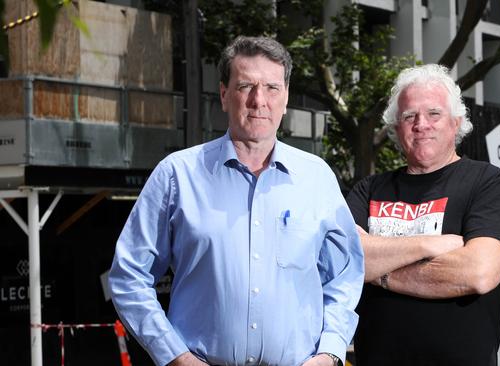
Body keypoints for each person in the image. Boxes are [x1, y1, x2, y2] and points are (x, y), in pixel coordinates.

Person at [109, 36, 364, 366]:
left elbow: (344, 275)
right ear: (224, 95)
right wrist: (175, 356)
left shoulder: (317, 178)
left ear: (285, 97)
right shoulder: (177, 175)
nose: (259, 100)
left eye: (272, 88)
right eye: (246, 86)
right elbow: (129, 276)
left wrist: (330, 353)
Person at [346, 64, 500, 366]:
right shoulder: (369, 189)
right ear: (395, 128)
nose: (421, 124)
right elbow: (343, 260)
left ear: (456, 123)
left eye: (434, 114)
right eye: (408, 116)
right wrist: (427, 245)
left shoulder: (488, 184)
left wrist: (379, 271)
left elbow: (478, 273)